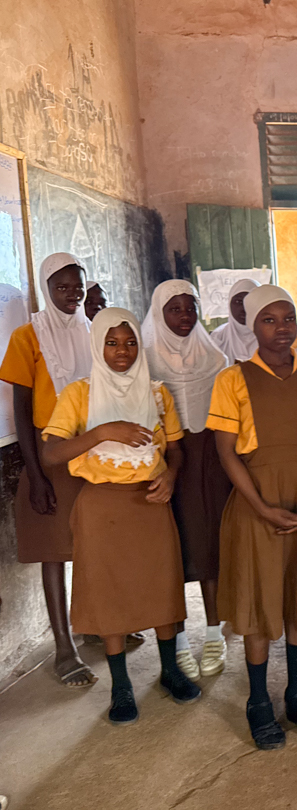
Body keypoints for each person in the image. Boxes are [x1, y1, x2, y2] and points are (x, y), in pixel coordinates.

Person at [40, 308, 198, 724]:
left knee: (161, 586)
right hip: (102, 507)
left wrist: (171, 475)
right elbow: (51, 454)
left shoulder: (157, 393)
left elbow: (177, 449)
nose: (122, 351)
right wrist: (102, 432)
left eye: (129, 343)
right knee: (110, 594)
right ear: (98, 346)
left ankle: (169, 671)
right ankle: (122, 686)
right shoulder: (79, 394)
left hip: (150, 502)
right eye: (111, 343)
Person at [207, 285, 297, 750]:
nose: (282, 328)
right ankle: (259, 701)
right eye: (270, 319)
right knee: (260, 599)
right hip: (256, 501)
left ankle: (294, 693)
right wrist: (261, 506)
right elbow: (226, 452)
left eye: (289, 319)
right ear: (252, 325)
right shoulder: (233, 379)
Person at [0, 253, 95, 687]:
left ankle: (94, 623)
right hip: (48, 451)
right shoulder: (27, 336)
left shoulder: (92, 332)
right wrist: (34, 474)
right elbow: (20, 409)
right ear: (45, 288)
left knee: (92, 543)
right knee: (54, 550)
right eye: (62, 287)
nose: (71, 294)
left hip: (90, 448)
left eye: (77, 286)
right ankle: (63, 647)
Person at [142, 280, 231, 680]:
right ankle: (177, 641)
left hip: (209, 463)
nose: (184, 317)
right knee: (169, 553)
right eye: (174, 309)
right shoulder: (144, 362)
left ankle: (214, 632)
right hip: (163, 466)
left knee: (209, 544)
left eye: (190, 308)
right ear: (158, 313)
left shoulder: (215, 358)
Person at [210, 278, 260, 364]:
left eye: (250, 301)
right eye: (238, 301)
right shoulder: (218, 339)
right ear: (229, 303)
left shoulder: (271, 337)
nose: (244, 307)